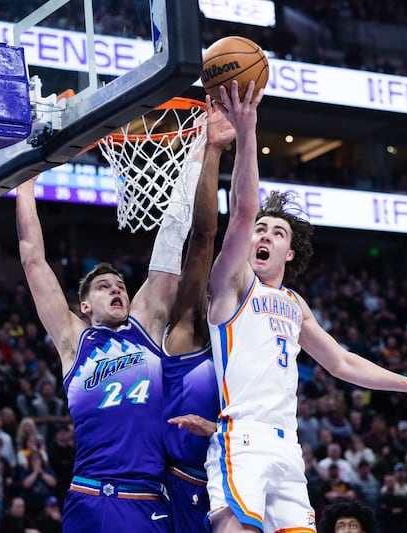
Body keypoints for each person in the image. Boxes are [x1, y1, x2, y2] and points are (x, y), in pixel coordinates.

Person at [200, 80, 407, 532]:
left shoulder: (294, 305)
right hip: (241, 438)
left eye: (276, 233)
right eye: (260, 230)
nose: (263, 235)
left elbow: (340, 361)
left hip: (288, 449)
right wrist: (247, 131)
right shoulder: (234, 283)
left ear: (291, 254)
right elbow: (241, 212)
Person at [15, 120, 199, 530]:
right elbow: (32, 259)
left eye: (120, 286)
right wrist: (24, 180)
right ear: (84, 305)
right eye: (103, 287)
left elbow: (172, 234)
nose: (116, 290)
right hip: (87, 495)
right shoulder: (72, 341)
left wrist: (200, 150)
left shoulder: (146, 327)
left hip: (143, 500)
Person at [163, 95, 235, 533]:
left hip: (222, 486)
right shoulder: (186, 330)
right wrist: (212, 150)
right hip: (170, 482)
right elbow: (205, 236)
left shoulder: (241, 352)